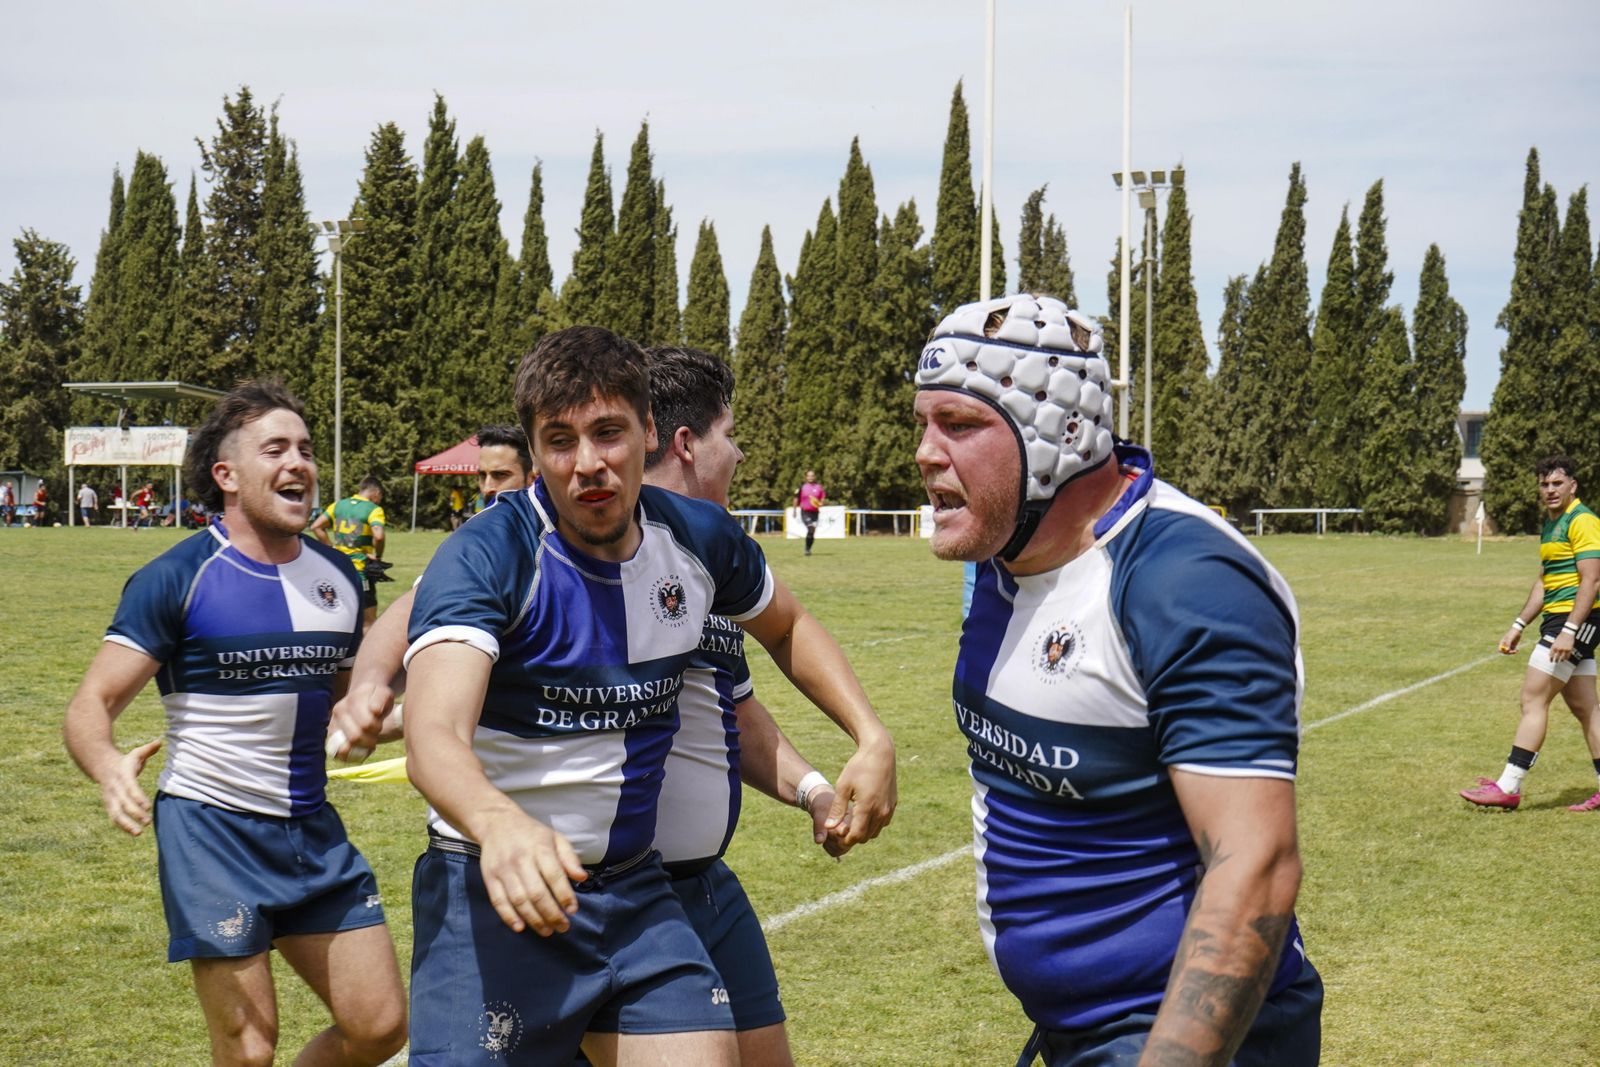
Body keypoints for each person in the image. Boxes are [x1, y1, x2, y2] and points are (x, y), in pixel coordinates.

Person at [399, 326, 896, 1066]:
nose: (589, 463)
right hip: (491, 893)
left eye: (608, 432)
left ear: (650, 431)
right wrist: (500, 825)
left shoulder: (697, 539)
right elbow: (433, 734)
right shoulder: (489, 554)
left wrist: (870, 735)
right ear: (534, 453)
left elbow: (788, 626)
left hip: (635, 897)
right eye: (559, 440)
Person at [912, 295, 1320, 1066]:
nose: (927, 452)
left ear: (1059, 433)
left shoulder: (1185, 582)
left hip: (1183, 1037)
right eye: (923, 424)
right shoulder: (1006, 562)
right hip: (1084, 1030)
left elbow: (1256, 867)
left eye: (959, 424)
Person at [62, 380, 406, 1067]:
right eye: (275, 447)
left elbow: (351, 707)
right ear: (226, 474)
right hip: (211, 831)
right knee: (248, 1047)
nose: (300, 462)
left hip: (310, 830)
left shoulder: (339, 579)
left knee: (380, 1024)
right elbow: (89, 705)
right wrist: (107, 766)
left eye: (306, 448)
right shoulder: (177, 577)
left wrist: (420, 711)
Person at [1461, 455, 1600, 811]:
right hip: (1563, 618)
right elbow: (1545, 580)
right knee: (1586, 707)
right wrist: (1519, 624)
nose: (1550, 490)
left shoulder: (1582, 520)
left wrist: (1569, 631)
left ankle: (1509, 786)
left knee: (1533, 699)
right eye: (1544, 484)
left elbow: (1593, 579)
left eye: (1557, 483)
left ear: (1573, 485)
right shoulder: (1552, 523)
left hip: (1574, 619)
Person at [311, 476, 388, 627]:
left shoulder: (338, 505)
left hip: (338, 569)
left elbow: (316, 527)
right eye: (380, 497)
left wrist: (331, 549)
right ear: (376, 492)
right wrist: (377, 556)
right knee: (368, 621)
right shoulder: (374, 509)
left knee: (341, 617)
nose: (379, 500)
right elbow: (378, 536)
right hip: (360, 570)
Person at [795, 469, 825, 556]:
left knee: (812, 532)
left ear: (814, 477)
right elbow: (796, 498)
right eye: (809, 475)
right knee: (811, 528)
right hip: (805, 512)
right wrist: (794, 510)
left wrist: (821, 503)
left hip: (815, 513)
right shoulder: (802, 487)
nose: (810, 477)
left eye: (812, 475)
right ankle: (807, 550)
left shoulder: (819, 487)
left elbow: (822, 497)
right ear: (806, 477)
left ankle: (808, 549)